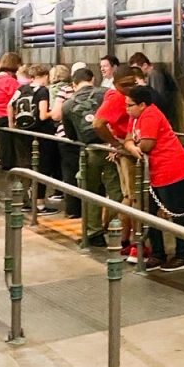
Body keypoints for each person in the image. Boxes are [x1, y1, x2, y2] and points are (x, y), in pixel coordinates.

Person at [123, 85, 184, 272]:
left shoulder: (150, 115)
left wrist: (134, 144)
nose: (127, 109)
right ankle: (158, 253)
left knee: (177, 213)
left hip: (172, 170)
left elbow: (147, 145)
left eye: (130, 105)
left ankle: (183, 254)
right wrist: (132, 146)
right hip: (155, 173)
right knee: (148, 212)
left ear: (142, 105)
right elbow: (128, 139)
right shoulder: (136, 118)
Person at [62, 68, 118, 247]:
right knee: (117, 191)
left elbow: (70, 135)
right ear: (92, 79)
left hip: (88, 152)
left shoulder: (68, 104)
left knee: (89, 191)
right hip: (113, 149)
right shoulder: (106, 94)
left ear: (74, 84)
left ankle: (94, 232)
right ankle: (117, 228)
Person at [94, 66, 140, 258]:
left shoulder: (115, 95)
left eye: (133, 84)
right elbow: (98, 123)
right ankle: (133, 242)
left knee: (128, 197)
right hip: (128, 152)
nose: (129, 88)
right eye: (125, 85)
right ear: (115, 83)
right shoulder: (116, 98)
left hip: (125, 149)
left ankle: (126, 240)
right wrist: (116, 143)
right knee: (133, 197)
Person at [8, 64, 57, 215]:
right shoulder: (43, 91)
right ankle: (40, 203)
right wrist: (54, 112)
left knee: (25, 165)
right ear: (45, 76)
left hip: (22, 133)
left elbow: (10, 105)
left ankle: (25, 200)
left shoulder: (22, 89)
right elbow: (42, 115)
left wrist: (12, 124)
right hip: (39, 134)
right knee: (41, 167)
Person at [50, 65, 82, 217]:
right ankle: (91, 210)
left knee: (70, 173)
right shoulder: (98, 92)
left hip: (66, 137)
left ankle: (73, 209)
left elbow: (56, 115)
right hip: (87, 138)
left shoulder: (65, 91)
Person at [129, 52, 177, 123]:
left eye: (137, 69)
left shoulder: (154, 74)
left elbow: (157, 96)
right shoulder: (153, 74)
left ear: (145, 65)